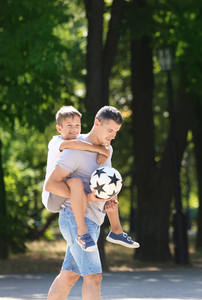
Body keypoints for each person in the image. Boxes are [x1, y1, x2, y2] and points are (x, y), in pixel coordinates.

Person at [44, 106, 132, 300]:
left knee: (69, 276)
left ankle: (117, 231)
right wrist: (88, 198)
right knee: (94, 277)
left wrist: (110, 198)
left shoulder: (107, 149)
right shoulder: (72, 148)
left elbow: (104, 181)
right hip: (75, 219)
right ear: (97, 123)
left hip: (94, 219)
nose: (113, 136)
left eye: (116, 132)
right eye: (110, 131)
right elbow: (51, 184)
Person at [42, 106, 139, 251]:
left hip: (76, 199)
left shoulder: (102, 146)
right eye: (69, 126)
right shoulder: (58, 142)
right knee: (76, 182)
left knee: (110, 178)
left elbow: (103, 142)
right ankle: (82, 232)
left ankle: (116, 230)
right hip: (53, 195)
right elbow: (75, 144)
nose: (74, 129)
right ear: (59, 128)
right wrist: (101, 150)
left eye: (77, 125)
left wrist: (105, 148)